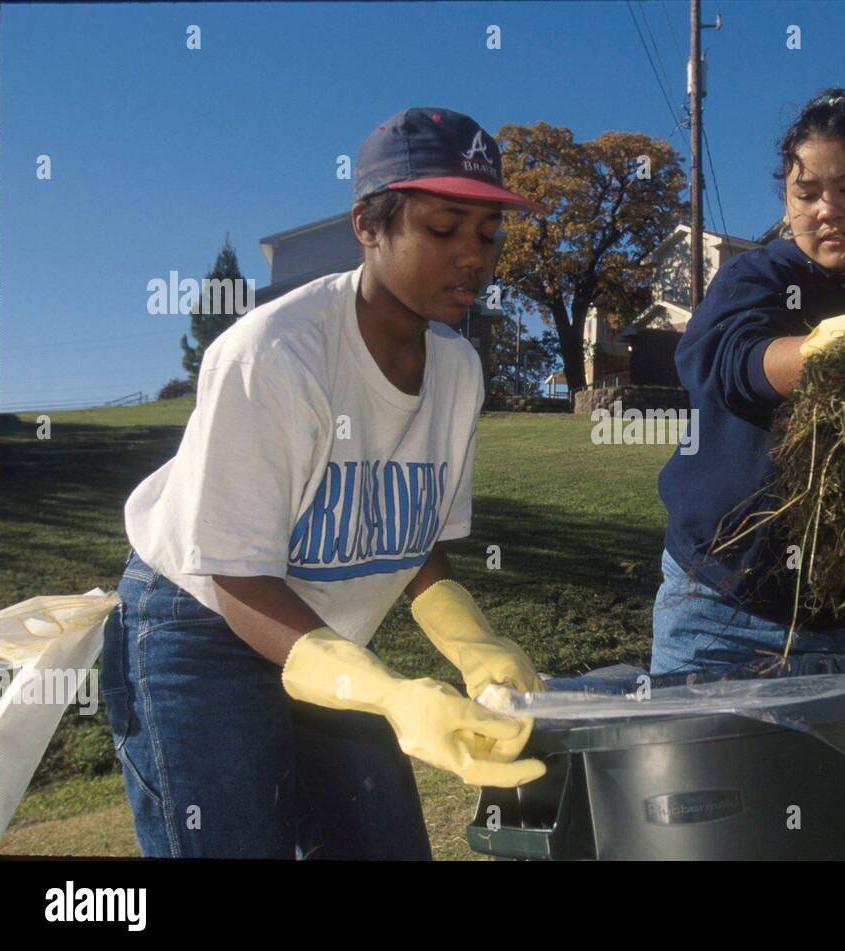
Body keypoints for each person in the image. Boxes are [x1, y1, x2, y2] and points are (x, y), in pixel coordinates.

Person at [101, 107, 549, 859]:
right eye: (444, 229)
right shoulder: (272, 355)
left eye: (488, 234)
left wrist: (473, 641)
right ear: (369, 226)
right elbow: (239, 575)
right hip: (200, 622)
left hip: (332, 642)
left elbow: (418, 541)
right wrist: (387, 693)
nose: (473, 257)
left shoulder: (460, 370)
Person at [652, 88, 845, 674]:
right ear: (786, 201)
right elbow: (722, 360)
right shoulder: (759, 274)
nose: (827, 209)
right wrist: (841, 345)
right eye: (807, 192)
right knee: (708, 769)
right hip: (721, 608)